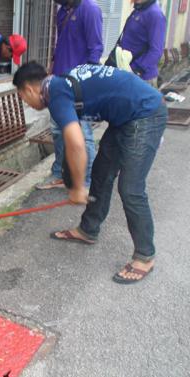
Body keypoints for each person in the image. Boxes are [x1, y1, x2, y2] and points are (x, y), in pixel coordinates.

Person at [13, 61, 167, 284]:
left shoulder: (56, 94)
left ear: (29, 89)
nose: (26, 103)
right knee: (102, 173)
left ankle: (145, 256)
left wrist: (77, 188)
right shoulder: (60, 84)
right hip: (124, 118)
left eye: (22, 97)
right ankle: (88, 229)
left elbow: (76, 144)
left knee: (131, 188)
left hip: (145, 114)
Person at [37, 0, 103, 190]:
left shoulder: (89, 9)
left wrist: (86, 82)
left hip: (78, 85)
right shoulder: (62, 10)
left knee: (82, 134)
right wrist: (52, 69)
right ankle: (60, 174)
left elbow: (95, 49)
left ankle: (86, 180)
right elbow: (61, 44)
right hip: (59, 82)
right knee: (58, 131)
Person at [106, 0, 166, 87]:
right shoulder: (138, 10)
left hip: (140, 77)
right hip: (126, 72)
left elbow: (156, 51)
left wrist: (135, 70)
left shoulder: (155, 14)